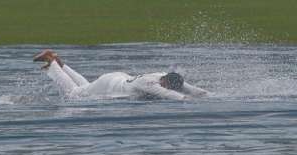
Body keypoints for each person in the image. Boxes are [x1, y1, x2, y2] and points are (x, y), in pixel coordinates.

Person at [33, 50, 208, 100]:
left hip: (115, 78)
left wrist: (209, 96)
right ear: (164, 83)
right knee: (73, 95)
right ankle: (53, 62)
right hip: (109, 85)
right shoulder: (151, 85)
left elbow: (192, 89)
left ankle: (60, 62)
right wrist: (189, 100)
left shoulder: (163, 75)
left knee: (83, 88)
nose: (164, 87)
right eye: (165, 86)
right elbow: (172, 95)